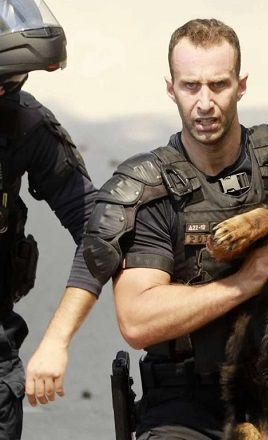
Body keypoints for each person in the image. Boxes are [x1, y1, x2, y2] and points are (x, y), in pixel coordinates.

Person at [82, 19, 268, 439]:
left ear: (241, 85)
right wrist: (243, 282)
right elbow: (137, 321)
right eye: (191, 86)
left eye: (218, 85)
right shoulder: (152, 184)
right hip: (184, 405)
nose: (205, 102)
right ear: (171, 88)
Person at [1, 0, 104, 437]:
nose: (6, 91)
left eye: (11, 82)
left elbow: (98, 227)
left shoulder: (21, 123)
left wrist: (58, 338)